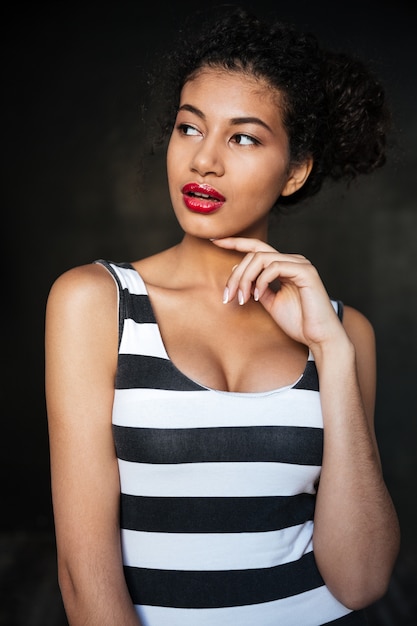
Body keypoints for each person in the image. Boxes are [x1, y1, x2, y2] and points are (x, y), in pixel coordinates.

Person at [45, 6, 400, 625]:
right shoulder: (94, 303)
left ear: (294, 171)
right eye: (190, 128)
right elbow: (84, 580)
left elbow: (363, 579)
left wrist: (332, 353)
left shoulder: (346, 333)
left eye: (243, 137)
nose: (204, 160)